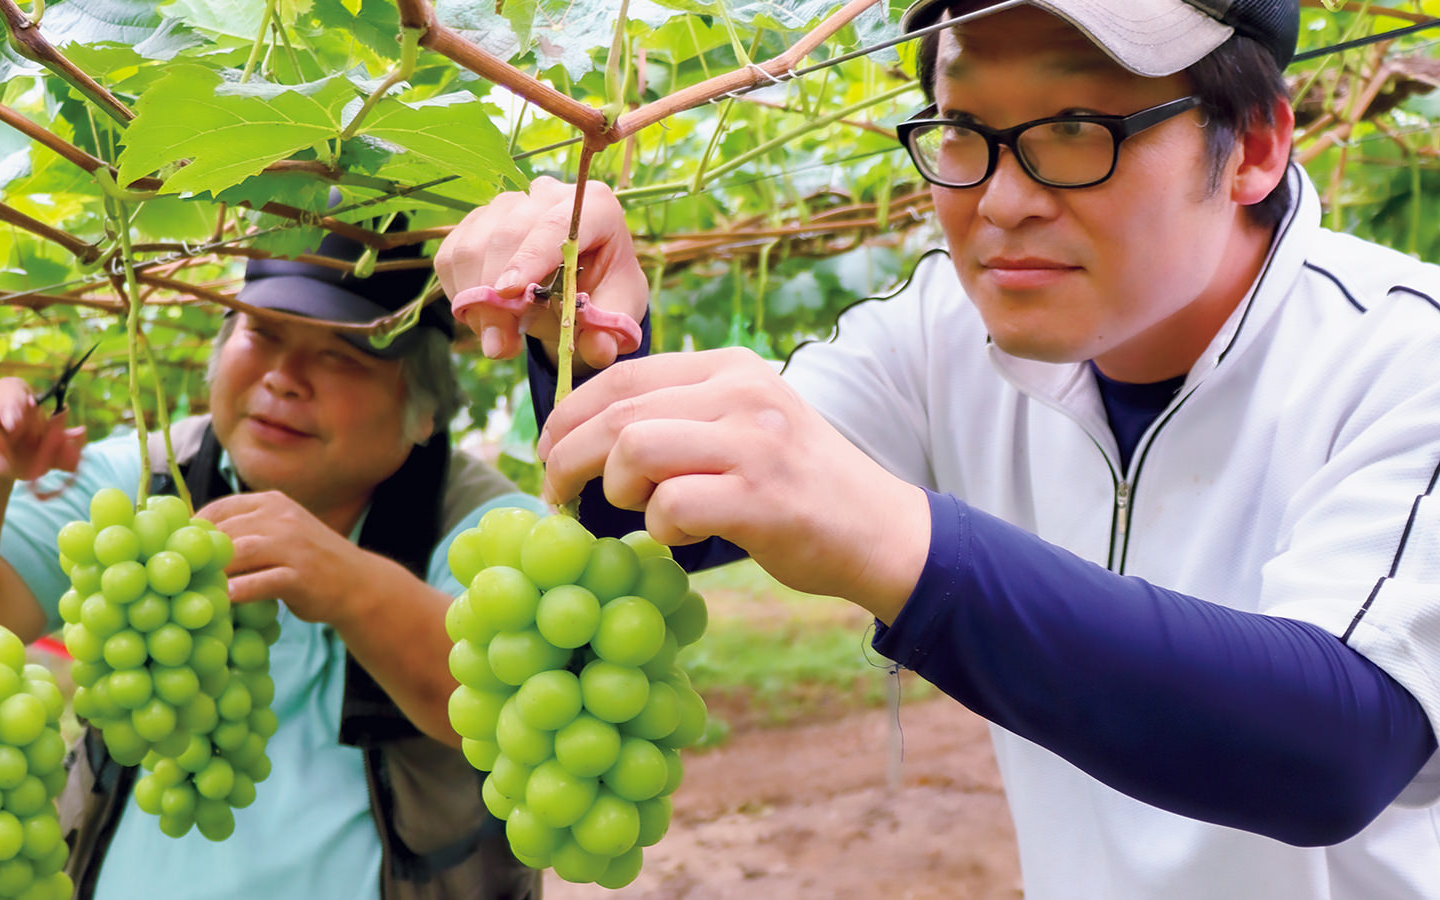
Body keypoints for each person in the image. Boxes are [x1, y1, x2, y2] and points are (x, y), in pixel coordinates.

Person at [434, 0, 1440, 896]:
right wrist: (588, 333)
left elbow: (1341, 746)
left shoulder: (1404, 357)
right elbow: (679, 511)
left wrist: (896, 540)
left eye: (1075, 127)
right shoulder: (938, 330)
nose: (1001, 201)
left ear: (1257, 144)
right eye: (963, 132)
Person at [0, 219, 544, 899]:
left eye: (343, 356)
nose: (283, 378)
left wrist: (351, 586)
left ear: (426, 409)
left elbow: (508, 712)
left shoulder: (483, 526)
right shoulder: (144, 482)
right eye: (261, 332)